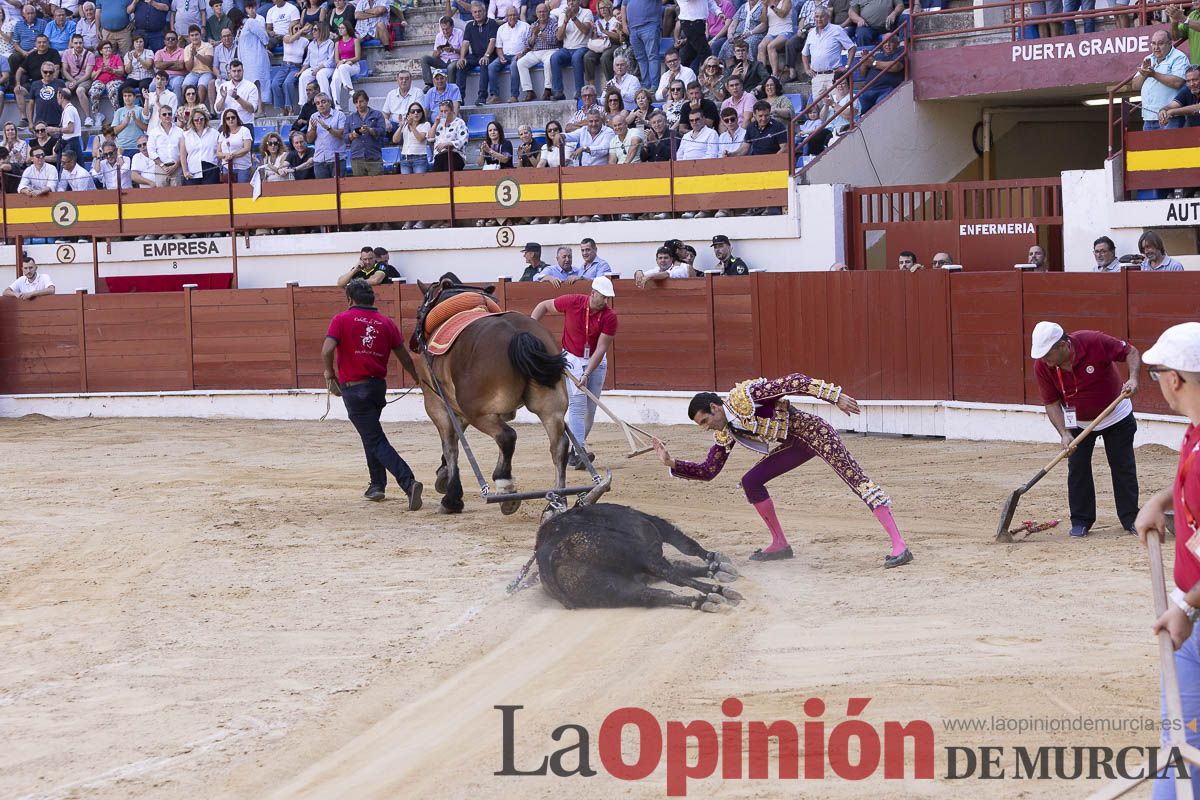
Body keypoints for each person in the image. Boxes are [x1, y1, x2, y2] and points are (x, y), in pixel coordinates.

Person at [652, 373, 913, 565]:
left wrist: (836, 397)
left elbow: (795, 381)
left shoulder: (747, 398)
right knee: (751, 481)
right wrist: (672, 463)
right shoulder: (726, 431)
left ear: (714, 407)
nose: (707, 427)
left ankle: (899, 545)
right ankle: (780, 543)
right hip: (794, 445)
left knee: (855, 479)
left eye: (705, 420)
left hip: (815, 432)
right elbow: (709, 470)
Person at [1132, 322, 1200, 800]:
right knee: (1182, 741)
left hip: (1197, 616)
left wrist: (1187, 607)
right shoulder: (1195, 433)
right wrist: (1164, 499)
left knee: (1183, 743)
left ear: (1175, 378)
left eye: (1157, 373)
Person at [1032, 320, 1141, 537]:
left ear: (1063, 345)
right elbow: (1052, 403)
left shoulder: (1093, 341)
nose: (1044, 359)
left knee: (1123, 467)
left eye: (1047, 353)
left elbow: (1131, 352)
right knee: (1078, 469)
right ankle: (1081, 520)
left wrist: (1133, 379)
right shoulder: (1043, 366)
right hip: (1078, 423)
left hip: (1116, 415)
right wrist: (1064, 433)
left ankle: (1131, 518)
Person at [321, 278, 424, 509]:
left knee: (374, 438)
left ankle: (409, 483)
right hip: (377, 387)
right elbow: (404, 356)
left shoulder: (341, 319)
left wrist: (329, 375)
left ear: (349, 299)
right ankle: (377, 485)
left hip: (354, 389)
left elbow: (326, 349)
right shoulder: (386, 322)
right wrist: (417, 378)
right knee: (371, 434)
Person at [530, 275, 618, 468]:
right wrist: (531, 328)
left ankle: (575, 451)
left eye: (607, 298)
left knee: (591, 410)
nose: (605, 301)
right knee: (578, 406)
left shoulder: (610, 316)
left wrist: (587, 374)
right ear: (593, 293)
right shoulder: (573, 301)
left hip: (596, 361)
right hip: (573, 359)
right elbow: (544, 305)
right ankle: (579, 452)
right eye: (602, 296)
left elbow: (601, 348)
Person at [1134, 29, 1190, 131]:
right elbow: (1135, 86)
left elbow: (1177, 82)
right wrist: (1144, 74)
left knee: (1171, 146)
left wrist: (1153, 74)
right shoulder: (1148, 58)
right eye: (1153, 43)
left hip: (1171, 117)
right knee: (1149, 147)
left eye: (1160, 44)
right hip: (1148, 118)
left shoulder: (1179, 57)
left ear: (1170, 43)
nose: (1156, 47)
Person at [802, 5, 854, 100]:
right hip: (817, 77)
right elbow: (804, 53)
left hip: (833, 76)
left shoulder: (837, 29)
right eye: (817, 16)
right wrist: (806, 69)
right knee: (818, 107)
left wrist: (847, 66)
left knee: (836, 104)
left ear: (828, 17)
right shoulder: (811, 33)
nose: (819, 19)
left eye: (822, 16)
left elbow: (852, 47)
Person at [549, 0, 592, 101]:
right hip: (567, 49)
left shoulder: (587, 12)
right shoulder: (563, 15)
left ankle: (579, 91)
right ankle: (558, 91)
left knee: (576, 58)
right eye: (569, 1)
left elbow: (585, 31)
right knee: (554, 58)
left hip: (582, 46)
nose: (571, 3)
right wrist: (565, 21)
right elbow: (559, 37)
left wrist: (573, 17)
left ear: (579, 2)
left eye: (574, 1)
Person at [458, 1, 498, 106]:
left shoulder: (492, 23)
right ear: (472, 13)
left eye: (479, 11)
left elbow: (492, 41)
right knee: (461, 65)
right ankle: (459, 99)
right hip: (475, 56)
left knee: (484, 63)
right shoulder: (469, 26)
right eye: (475, 12)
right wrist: (462, 57)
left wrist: (486, 55)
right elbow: (465, 43)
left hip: (490, 55)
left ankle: (482, 97)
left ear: (484, 12)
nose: (477, 14)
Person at [516, 2, 557, 101]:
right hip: (535, 52)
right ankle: (529, 91)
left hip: (550, 50)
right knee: (521, 63)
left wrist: (539, 32)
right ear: (536, 13)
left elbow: (554, 40)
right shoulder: (534, 24)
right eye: (539, 12)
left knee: (548, 62)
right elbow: (528, 44)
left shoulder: (554, 23)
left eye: (544, 11)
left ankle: (548, 90)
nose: (542, 14)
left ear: (548, 12)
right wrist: (534, 35)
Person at [856, 31, 903, 113]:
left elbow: (896, 66)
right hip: (868, 89)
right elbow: (862, 74)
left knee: (881, 111)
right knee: (856, 112)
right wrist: (864, 62)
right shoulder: (877, 55)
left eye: (891, 42)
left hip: (886, 89)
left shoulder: (900, 51)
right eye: (885, 42)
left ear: (897, 43)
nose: (887, 44)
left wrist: (874, 63)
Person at [236, 0, 271, 107]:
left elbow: (264, 37)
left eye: (253, 7)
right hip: (248, 60)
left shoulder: (252, 22)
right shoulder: (243, 26)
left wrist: (265, 45)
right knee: (251, 84)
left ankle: (261, 109)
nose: (251, 10)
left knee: (258, 83)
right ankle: (255, 108)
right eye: (249, 8)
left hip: (257, 57)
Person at [345, 88, 385, 176]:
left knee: (378, 186)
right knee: (360, 188)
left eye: (361, 101)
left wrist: (370, 130)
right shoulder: (350, 118)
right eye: (356, 102)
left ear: (367, 101)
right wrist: (354, 134)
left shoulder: (377, 114)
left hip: (373, 157)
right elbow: (345, 138)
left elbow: (382, 131)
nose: (358, 104)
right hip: (357, 158)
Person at [269, 21, 306, 115]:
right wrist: (302, 30)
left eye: (299, 28)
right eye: (296, 29)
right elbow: (290, 40)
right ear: (291, 30)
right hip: (284, 66)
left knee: (287, 83)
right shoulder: (286, 37)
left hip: (296, 67)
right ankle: (282, 108)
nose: (298, 30)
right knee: (275, 84)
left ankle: (290, 107)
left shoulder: (304, 41)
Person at [306, 91, 345, 178]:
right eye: (318, 103)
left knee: (338, 189)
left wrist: (328, 128)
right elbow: (309, 140)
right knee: (323, 190)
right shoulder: (313, 117)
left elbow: (342, 135)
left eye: (323, 102)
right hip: (319, 160)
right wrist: (313, 129)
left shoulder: (339, 115)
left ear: (329, 103)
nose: (321, 105)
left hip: (337, 159)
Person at [88, 38, 125, 121]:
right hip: (100, 81)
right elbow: (92, 76)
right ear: (101, 51)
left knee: (112, 88)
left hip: (115, 79)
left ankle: (117, 112)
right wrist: (100, 70)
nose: (108, 49)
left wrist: (112, 70)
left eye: (109, 47)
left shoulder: (116, 57)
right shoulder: (97, 60)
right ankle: (97, 115)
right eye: (105, 48)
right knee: (94, 91)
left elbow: (122, 71)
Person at [213, 58, 259, 125]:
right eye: (234, 71)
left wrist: (237, 98)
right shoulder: (223, 86)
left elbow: (252, 109)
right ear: (230, 72)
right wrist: (223, 98)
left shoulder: (251, 86)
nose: (237, 73)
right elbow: (218, 110)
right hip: (226, 125)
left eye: (239, 71)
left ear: (243, 71)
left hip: (245, 125)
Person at [421, 15, 462, 88]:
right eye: (443, 29)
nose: (445, 32)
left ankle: (451, 89)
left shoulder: (459, 33)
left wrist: (453, 50)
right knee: (424, 58)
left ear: (452, 27)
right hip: (443, 60)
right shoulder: (439, 36)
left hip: (455, 60)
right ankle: (429, 84)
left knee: (450, 67)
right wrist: (438, 53)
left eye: (447, 29)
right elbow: (434, 55)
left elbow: (465, 51)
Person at [328, 20, 361, 112]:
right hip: (342, 65)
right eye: (339, 28)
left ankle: (349, 89)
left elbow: (357, 57)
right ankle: (337, 105)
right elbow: (337, 59)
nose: (340, 30)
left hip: (353, 65)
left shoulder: (355, 40)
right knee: (334, 81)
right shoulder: (337, 43)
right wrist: (343, 61)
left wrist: (347, 61)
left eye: (342, 28)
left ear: (347, 29)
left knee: (342, 67)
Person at [179, 105, 217, 182]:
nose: (199, 121)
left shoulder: (214, 133)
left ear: (205, 119)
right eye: (196, 120)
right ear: (192, 121)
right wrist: (185, 171)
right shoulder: (186, 135)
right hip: (193, 171)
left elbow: (218, 152)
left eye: (201, 119)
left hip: (211, 169)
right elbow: (183, 155)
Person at [298, 20, 334, 100]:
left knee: (320, 74)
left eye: (315, 30)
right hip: (313, 68)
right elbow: (307, 61)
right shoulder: (311, 44)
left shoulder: (330, 43)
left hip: (327, 68)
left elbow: (331, 61)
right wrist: (301, 71)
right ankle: (303, 104)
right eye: (312, 29)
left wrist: (318, 68)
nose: (313, 32)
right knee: (303, 77)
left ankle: (327, 100)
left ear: (322, 30)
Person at [392, 100, 430, 175]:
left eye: (418, 111)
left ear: (422, 113)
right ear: (408, 114)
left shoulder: (426, 124)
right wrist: (401, 127)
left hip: (419, 158)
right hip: (405, 158)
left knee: (419, 183)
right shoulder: (405, 125)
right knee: (406, 184)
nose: (416, 113)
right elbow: (395, 140)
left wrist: (411, 125)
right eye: (413, 111)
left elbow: (420, 139)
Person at [148, 105, 184, 184]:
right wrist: (162, 166)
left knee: (178, 194)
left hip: (177, 167)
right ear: (159, 116)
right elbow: (151, 151)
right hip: (160, 168)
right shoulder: (153, 132)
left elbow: (184, 151)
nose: (167, 116)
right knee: (161, 195)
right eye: (164, 114)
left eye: (169, 114)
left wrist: (175, 166)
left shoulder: (180, 131)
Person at [756, 0, 791, 78]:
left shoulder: (786, 1)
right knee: (761, 47)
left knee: (771, 46)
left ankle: (775, 74)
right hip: (772, 32)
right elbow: (763, 21)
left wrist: (771, 6)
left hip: (786, 30)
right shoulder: (767, 4)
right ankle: (762, 75)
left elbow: (782, 14)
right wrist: (765, 7)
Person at [430, 97, 466, 172]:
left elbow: (463, 140)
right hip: (439, 156)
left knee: (448, 172)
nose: (443, 113)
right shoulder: (439, 123)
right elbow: (430, 138)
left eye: (446, 111)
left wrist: (448, 144)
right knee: (435, 177)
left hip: (454, 155)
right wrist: (436, 123)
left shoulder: (459, 122)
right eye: (441, 111)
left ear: (452, 110)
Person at [216, 105, 251, 180]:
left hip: (242, 167)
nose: (230, 120)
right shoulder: (223, 133)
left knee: (242, 189)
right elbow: (218, 153)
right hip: (227, 167)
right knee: (228, 190)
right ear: (225, 121)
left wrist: (232, 155)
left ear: (237, 118)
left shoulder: (244, 130)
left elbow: (247, 148)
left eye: (233, 117)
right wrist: (226, 155)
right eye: (228, 118)